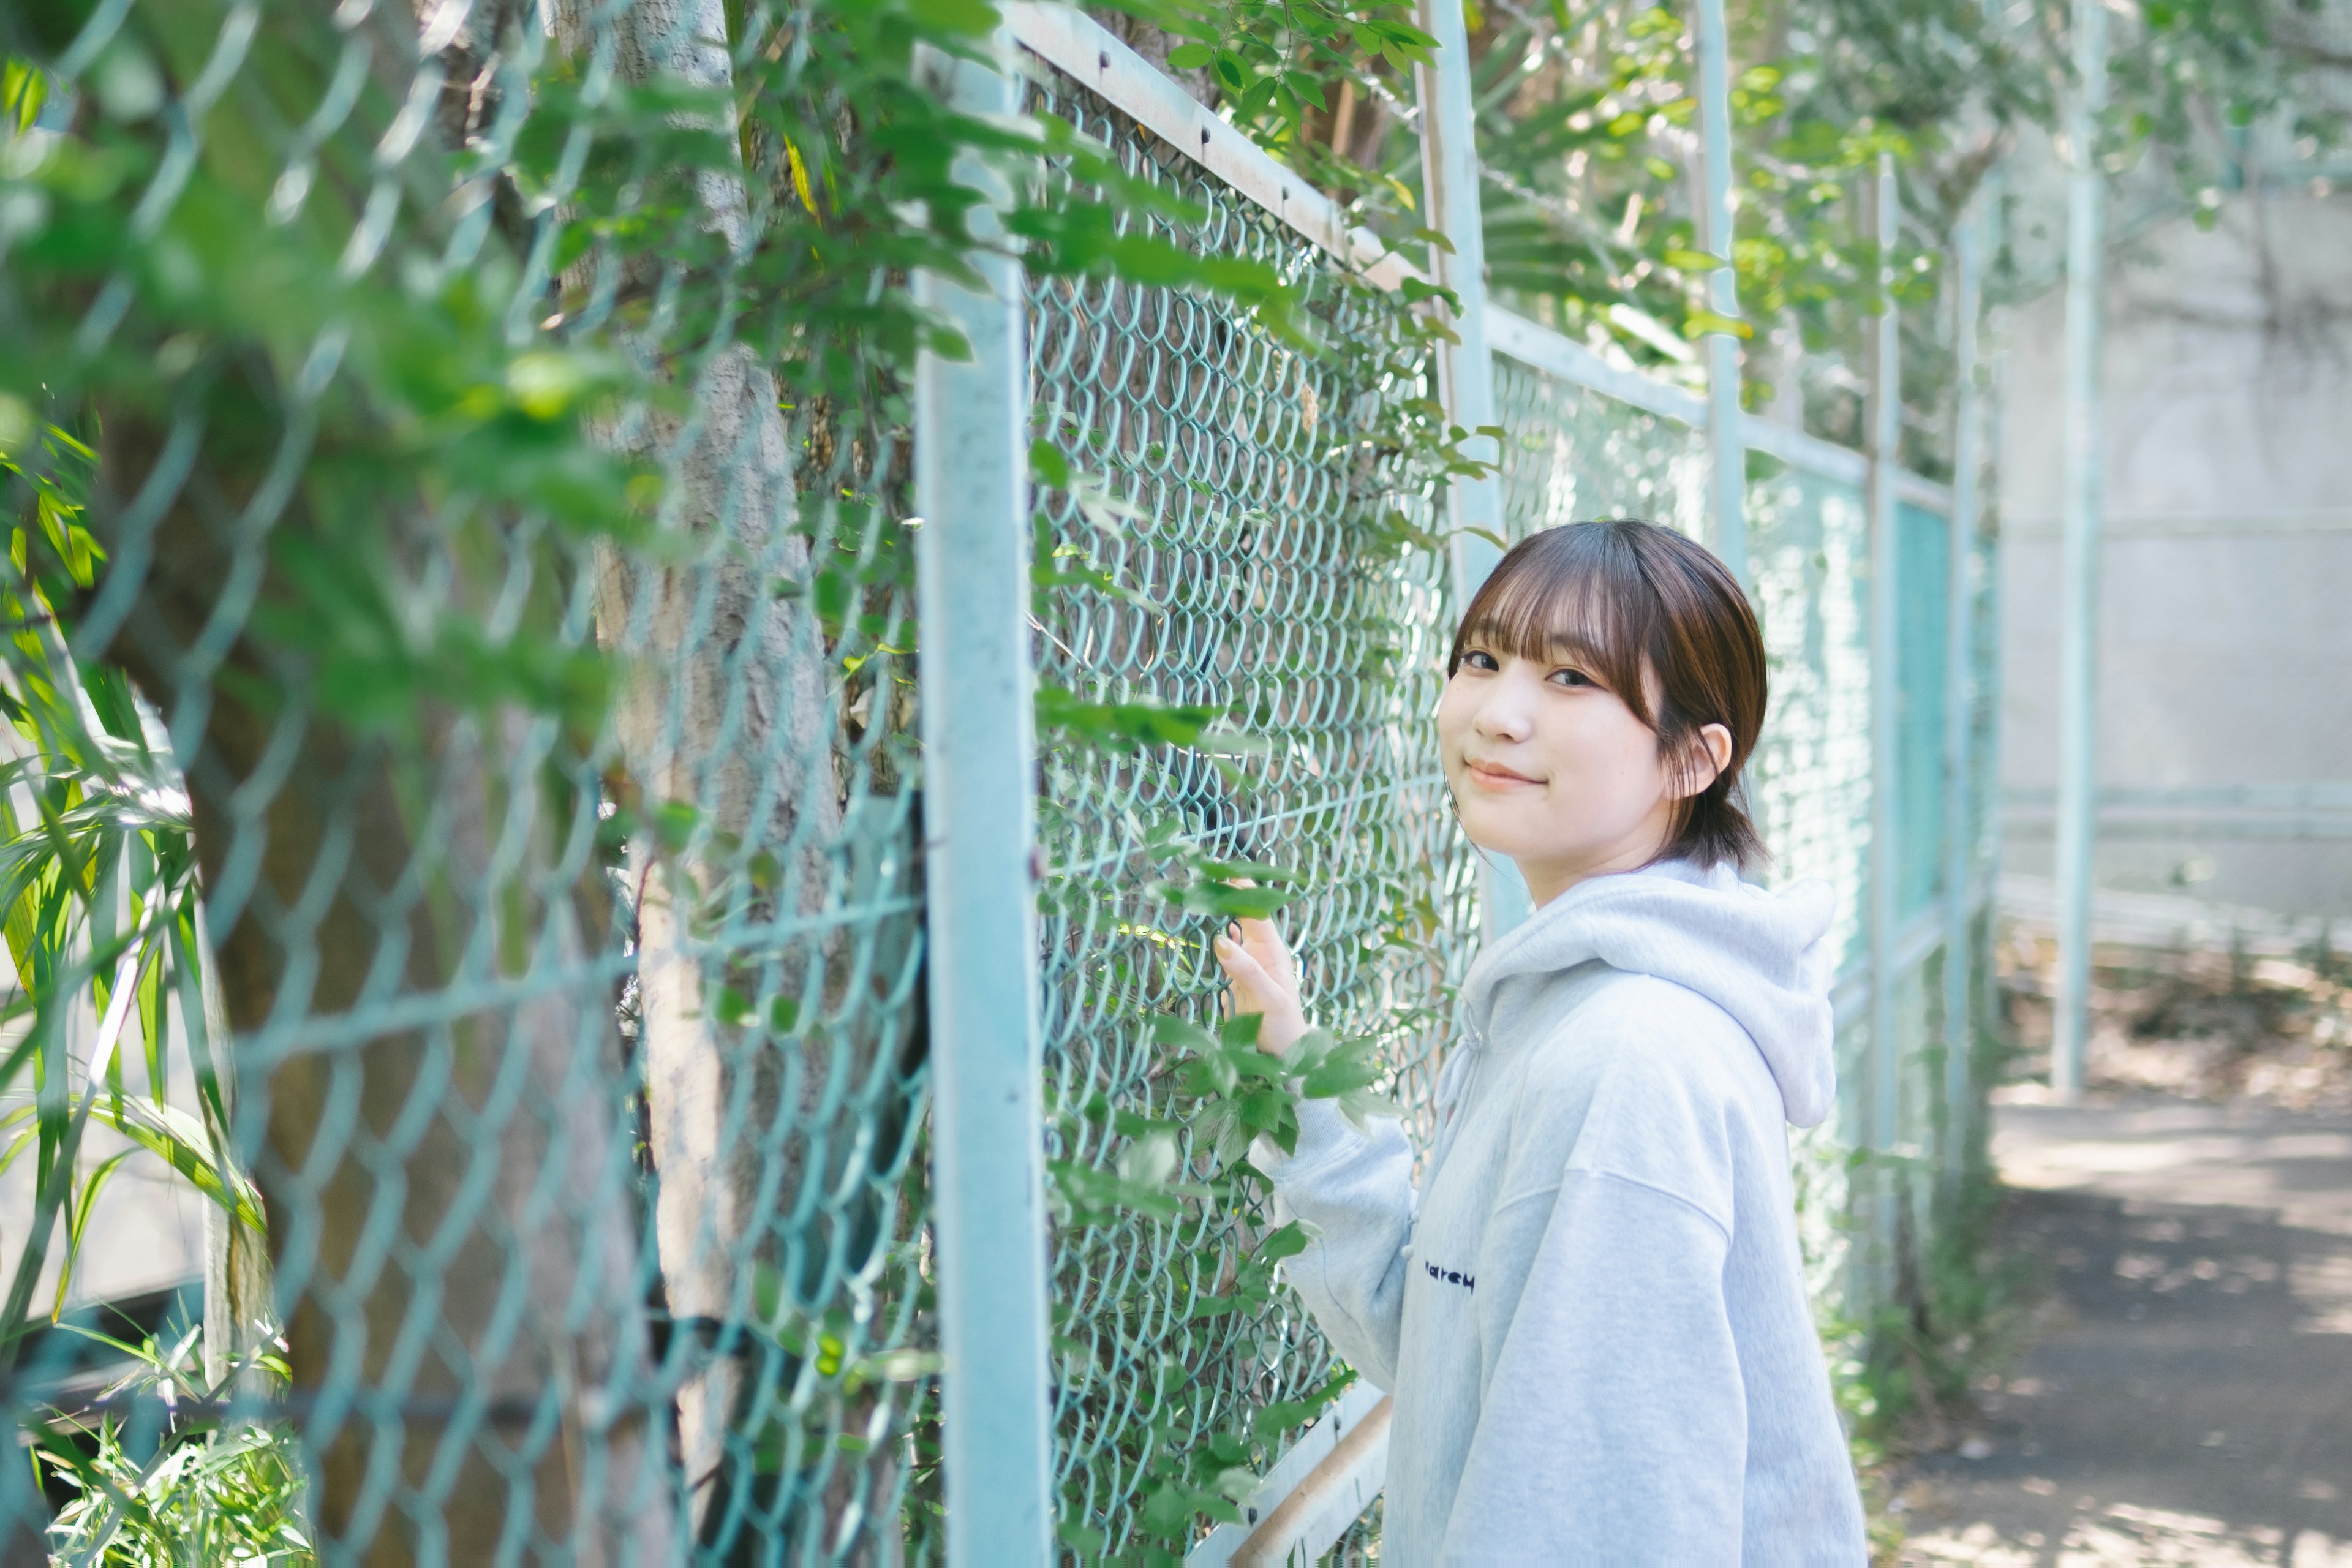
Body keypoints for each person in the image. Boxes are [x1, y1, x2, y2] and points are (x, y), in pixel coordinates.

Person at [1213, 519, 1868, 1563]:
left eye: (1572, 679)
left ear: (1692, 760)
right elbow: (1445, 1346)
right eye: (1483, 659)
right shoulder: (1573, 1005)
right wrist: (1302, 1085)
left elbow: (1595, 1513)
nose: (1499, 715)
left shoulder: (1629, 1055)